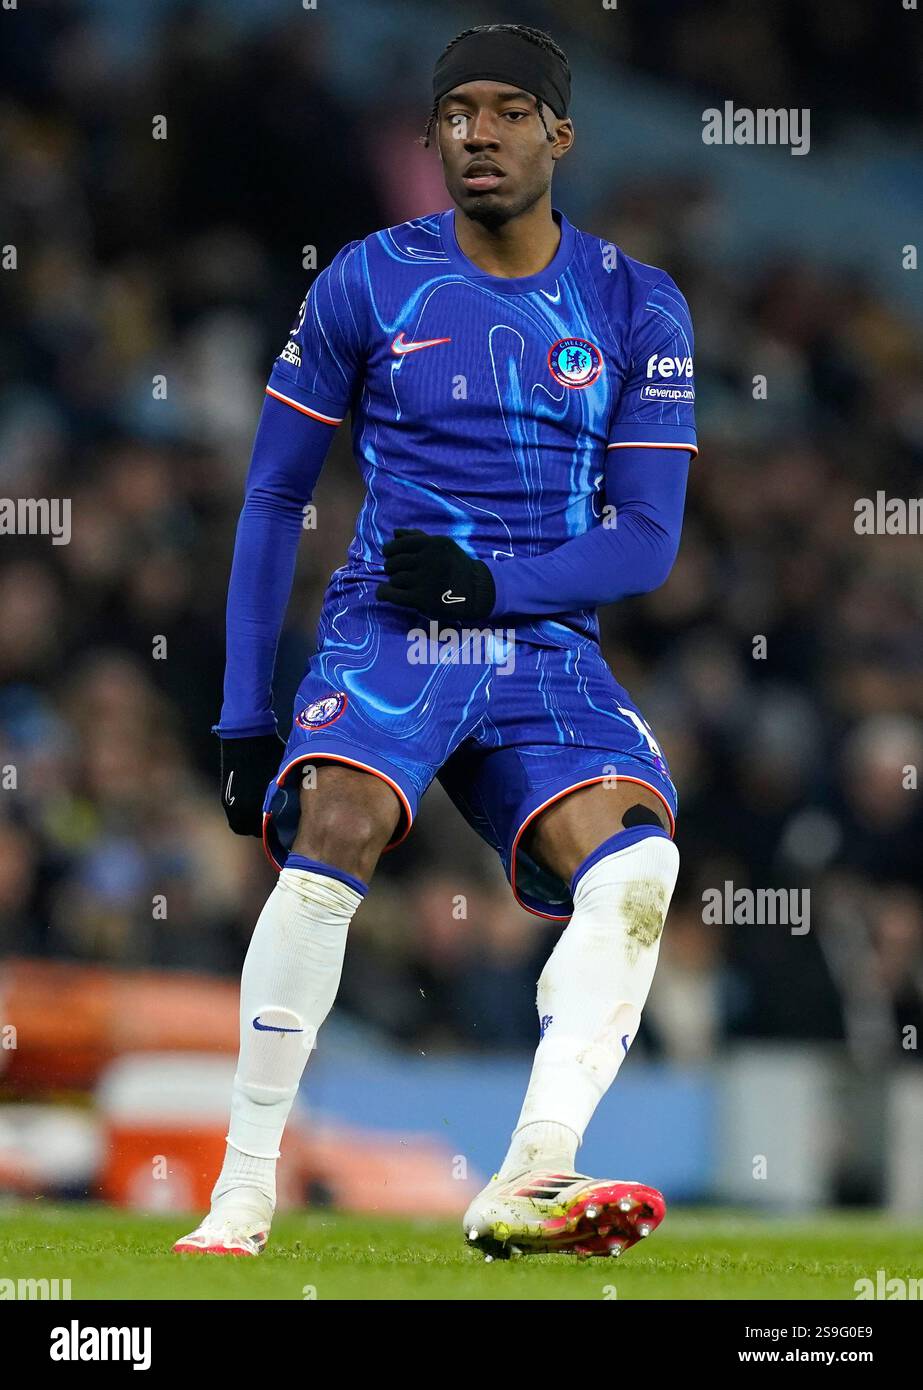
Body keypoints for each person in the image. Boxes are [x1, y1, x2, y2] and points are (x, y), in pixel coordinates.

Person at [174, 22, 697, 1260]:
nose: (478, 131)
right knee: (334, 830)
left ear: (559, 134)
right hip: (394, 631)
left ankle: (531, 1170)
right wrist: (244, 716)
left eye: (509, 109)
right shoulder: (367, 278)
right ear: (431, 133)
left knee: (634, 872)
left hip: (539, 642)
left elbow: (645, 541)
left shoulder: (634, 301)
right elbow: (270, 500)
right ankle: (239, 1193)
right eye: (456, 110)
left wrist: (491, 584)